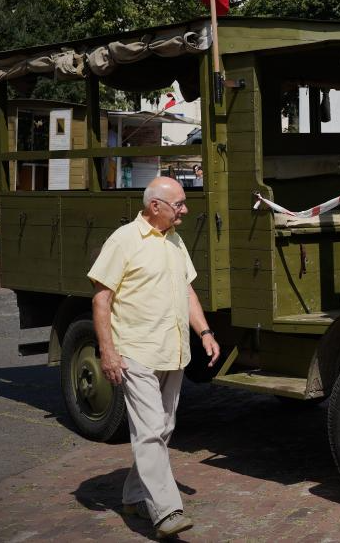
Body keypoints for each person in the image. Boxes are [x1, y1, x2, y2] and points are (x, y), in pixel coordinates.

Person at [88, 176, 221, 538]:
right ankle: (166, 512)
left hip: (172, 351)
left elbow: (188, 289)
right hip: (137, 352)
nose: (185, 210)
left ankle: (133, 496)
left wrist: (205, 332)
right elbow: (102, 298)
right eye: (178, 204)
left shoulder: (174, 239)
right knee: (149, 432)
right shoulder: (124, 241)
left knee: (162, 429)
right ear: (155, 206)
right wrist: (108, 351)